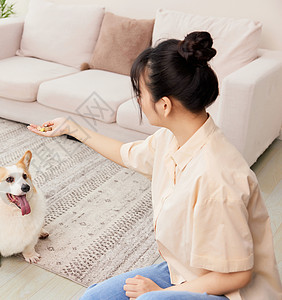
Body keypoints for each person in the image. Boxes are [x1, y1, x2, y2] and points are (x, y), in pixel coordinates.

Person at [27, 31, 282, 299]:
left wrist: (164, 292)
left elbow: (236, 275)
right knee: (95, 297)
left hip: (232, 291)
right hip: (186, 271)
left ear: (164, 105)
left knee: (150, 299)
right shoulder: (170, 139)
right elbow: (126, 153)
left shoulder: (216, 177)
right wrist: (73, 128)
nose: (137, 100)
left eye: (140, 93)